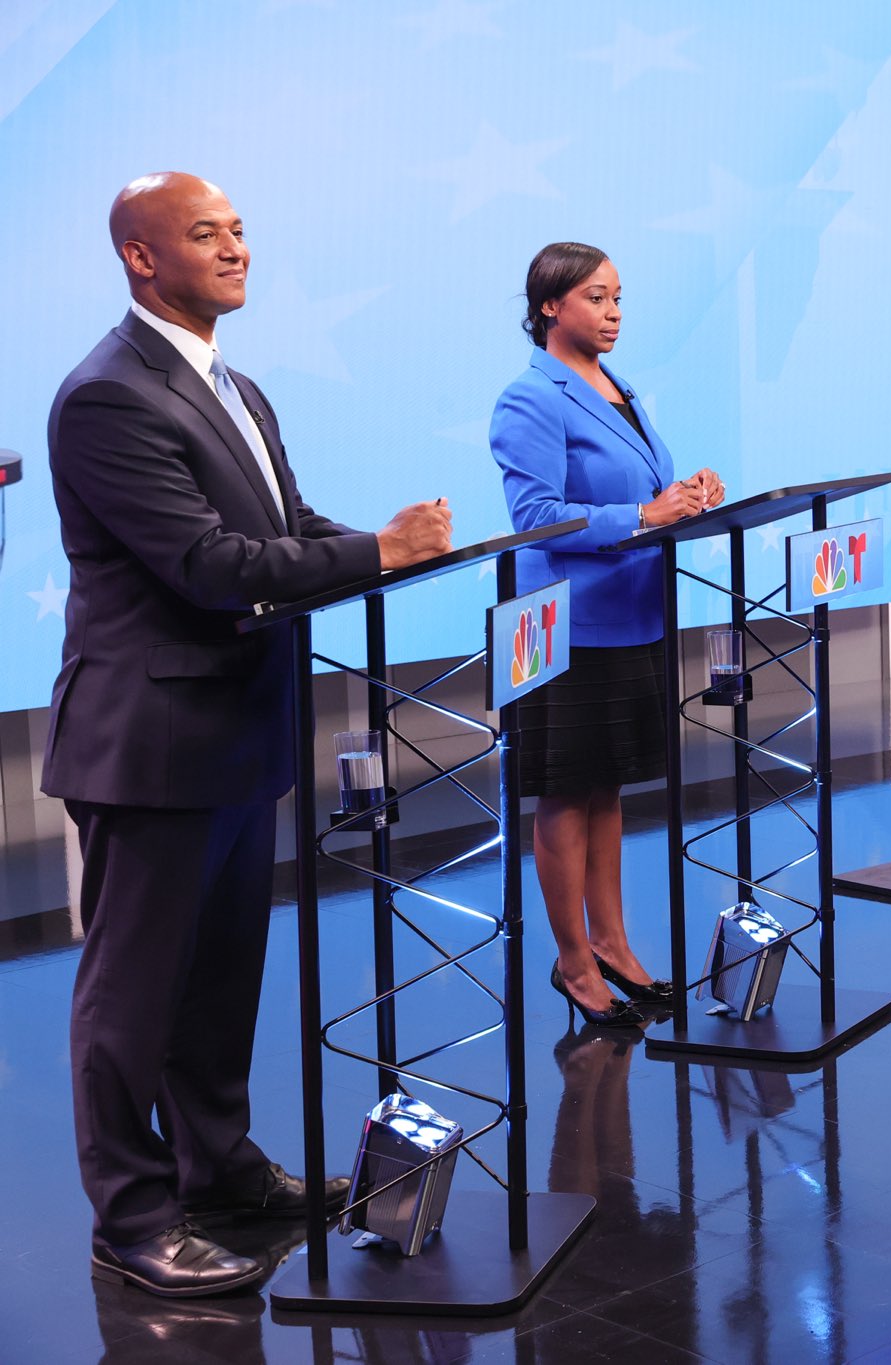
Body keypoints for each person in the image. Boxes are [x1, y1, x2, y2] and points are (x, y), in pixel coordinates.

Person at [45, 172, 454, 1297]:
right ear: (140, 255)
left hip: (235, 734)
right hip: (152, 743)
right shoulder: (105, 397)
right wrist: (378, 552)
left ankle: (219, 1172)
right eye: (206, 234)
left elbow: (285, 528)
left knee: (220, 980)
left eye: (238, 232)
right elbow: (207, 567)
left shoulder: (239, 385)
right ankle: (131, 1216)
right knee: (132, 998)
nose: (236, 251)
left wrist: (395, 547)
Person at [491, 242, 725, 1029]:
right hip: (565, 624)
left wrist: (683, 492)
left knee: (608, 785)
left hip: (632, 614)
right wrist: (644, 515)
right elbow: (536, 519)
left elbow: (638, 490)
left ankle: (615, 944)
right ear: (552, 305)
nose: (615, 311)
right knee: (566, 791)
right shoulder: (531, 397)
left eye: (620, 297)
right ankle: (573, 962)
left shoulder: (618, 388)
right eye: (598, 297)